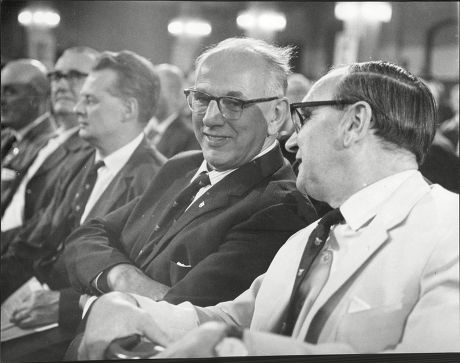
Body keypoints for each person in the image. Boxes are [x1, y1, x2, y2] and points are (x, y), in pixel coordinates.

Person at [76, 60, 459, 359]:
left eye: (305, 116)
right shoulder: (309, 238)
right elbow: (232, 318)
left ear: (354, 122)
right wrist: (134, 310)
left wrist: (239, 347)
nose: (292, 140)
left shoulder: (449, 231)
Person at [63, 37, 316, 312]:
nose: (209, 118)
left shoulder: (279, 208)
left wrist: (94, 296)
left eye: (233, 103)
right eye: (202, 98)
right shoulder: (181, 166)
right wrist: (124, 278)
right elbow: (86, 236)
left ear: (277, 115)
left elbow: (178, 319)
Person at [1, 50, 166, 331]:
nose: (77, 109)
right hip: (35, 301)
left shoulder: (154, 181)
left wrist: (64, 305)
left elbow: (132, 284)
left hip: (81, 323)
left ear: (128, 109)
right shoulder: (79, 162)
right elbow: (32, 242)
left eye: (90, 100)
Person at [1, 47, 99, 233]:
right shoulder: (49, 143)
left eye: (75, 76)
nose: (60, 85)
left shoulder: (93, 151)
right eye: (56, 76)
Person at [1, 59, 55, 210]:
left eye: (10, 92)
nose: (2, 100)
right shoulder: (6, 137)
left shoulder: (51, 144)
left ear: (35, 98)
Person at [144, 63, 200, 157]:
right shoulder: (140, 129)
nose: (149, 96)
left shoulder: (189, 137)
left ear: (174, 94)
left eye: (156, 90)